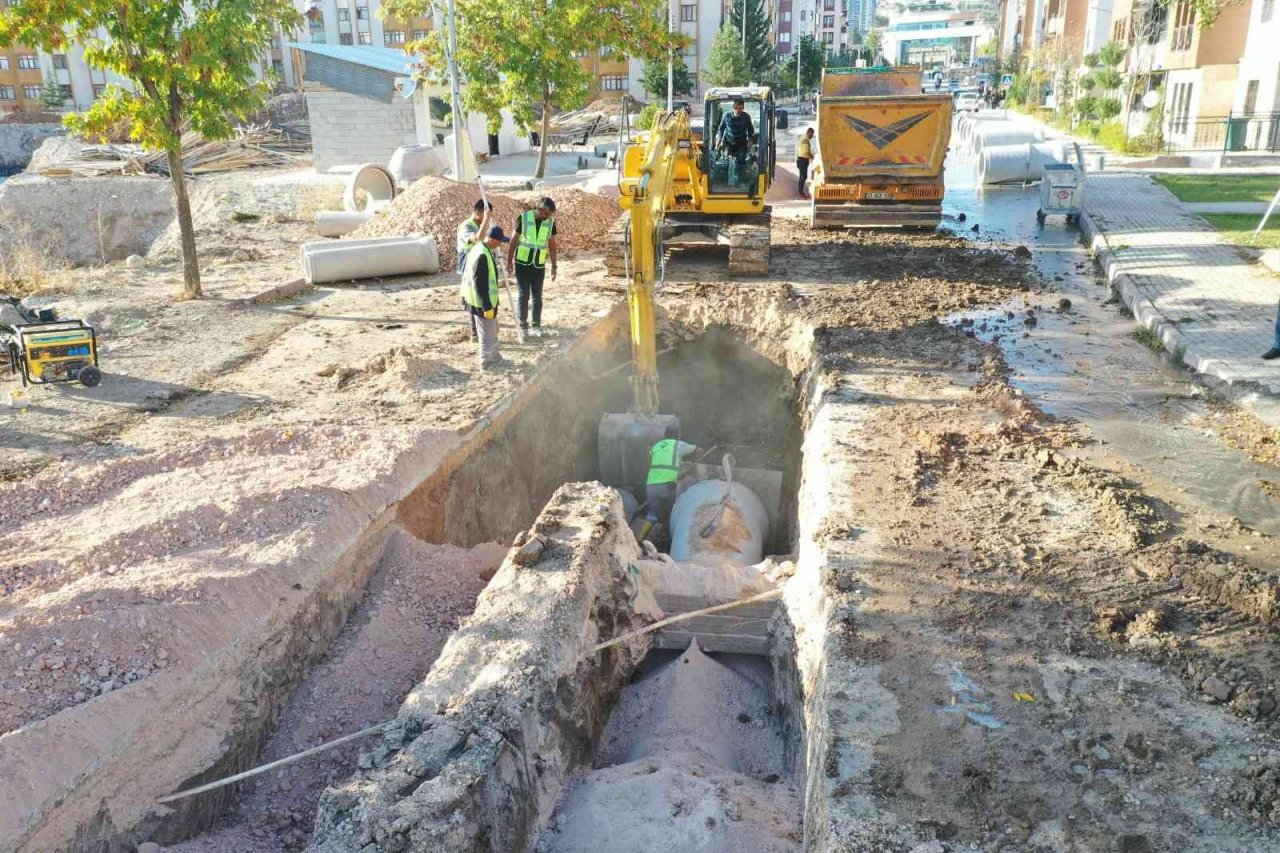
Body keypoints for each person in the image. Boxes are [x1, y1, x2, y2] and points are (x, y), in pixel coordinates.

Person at [507, 197, 557, 339]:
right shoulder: (523, 218)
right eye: (547, 214)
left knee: (537, 297)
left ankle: (536, 326)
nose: (548, 217)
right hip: (522, 264)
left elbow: (552, 245)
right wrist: (509, 262)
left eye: (550, 215)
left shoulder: (550, 223)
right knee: (524, 296)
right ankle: (523, 327)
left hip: (538, 265)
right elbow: (513, 242)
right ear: (540, 210)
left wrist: (554, 266)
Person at [462, 224, 510, 370]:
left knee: (492, 330)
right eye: (500, 241)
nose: (501, 244)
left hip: (484, 300)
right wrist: (487, 306)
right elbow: (480, 284)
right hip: (481, 301)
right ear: (493, 241)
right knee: (486, 334)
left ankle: (495, 357)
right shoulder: (482, 255)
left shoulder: (481, 248)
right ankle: (486, 361)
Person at [645, 426, 699, 529]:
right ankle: (669, 538)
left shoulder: (656, 446)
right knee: (674, 511)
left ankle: (640, 538)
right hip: (668, 485)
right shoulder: (678, 445)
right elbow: (698, 450)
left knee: (652, 514)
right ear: (677, 435)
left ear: (665, 435)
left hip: (651, 485)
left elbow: (649, 462)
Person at [457, 199, 491, 341]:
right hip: (468, 267)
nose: (488, 219)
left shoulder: (479, 225)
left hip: (477, 264)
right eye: (486, 215)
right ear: (478, 212)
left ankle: (480, 330)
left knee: (479, 298)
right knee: (472, 299)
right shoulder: (466, 226)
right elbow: (478, 239)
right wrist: (486, 221)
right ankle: (475, 334)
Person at [716, 98, 756, 168]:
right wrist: (719, 138)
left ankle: (741, 176)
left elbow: (750, 129)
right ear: (733, 107)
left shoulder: (746, 117)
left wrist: (750, 139)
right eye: (736, 108)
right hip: (728, 142)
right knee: (725, 162)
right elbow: (721, 128)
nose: (737, 110)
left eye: (740, 108)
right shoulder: (727, 116)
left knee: (741, 161)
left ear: (743, 108)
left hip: (741, 143)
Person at [796, 127, 815, 199]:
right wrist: (812, 157)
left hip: (801, 159)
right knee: (803, 177)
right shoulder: (805, 140)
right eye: (812, 134)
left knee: (803, 177)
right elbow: (806, 151)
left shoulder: (803, 138)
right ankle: (801, 193)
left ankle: (801, 192)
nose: (812, 136)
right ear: (809, 132)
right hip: (802, 160)